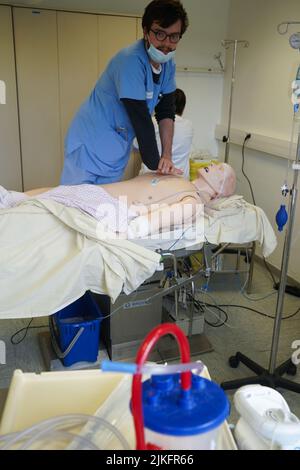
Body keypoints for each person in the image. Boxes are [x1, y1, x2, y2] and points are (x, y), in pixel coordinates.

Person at [60, 0, 189, 186]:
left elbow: (166, 111)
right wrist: (157, 165)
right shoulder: (130, 61)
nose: (167, 44)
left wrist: (167, 157)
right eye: (160, 34)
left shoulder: (168, 65)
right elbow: (141, 119)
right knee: (74, 206)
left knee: (104, 207)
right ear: (145, 30)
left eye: (174, 37)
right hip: (89, 145)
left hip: (115, 149)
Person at [2, 163, 236, 236]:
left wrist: (127, 232)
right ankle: (10, 198)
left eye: (219, 170)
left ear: (218, 190)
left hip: (111, 208)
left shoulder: (193, 202)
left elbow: (149, 224)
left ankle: (10, 203)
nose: (212, 165)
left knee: (51, 200)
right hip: (100, 195)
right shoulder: (180, 179)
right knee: (56, 191)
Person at [139, 88, 193, 179]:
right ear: (183, 107)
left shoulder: (153, 122)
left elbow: (137, 145)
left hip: (151, 177)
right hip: (179, 180)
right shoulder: (189, 126)